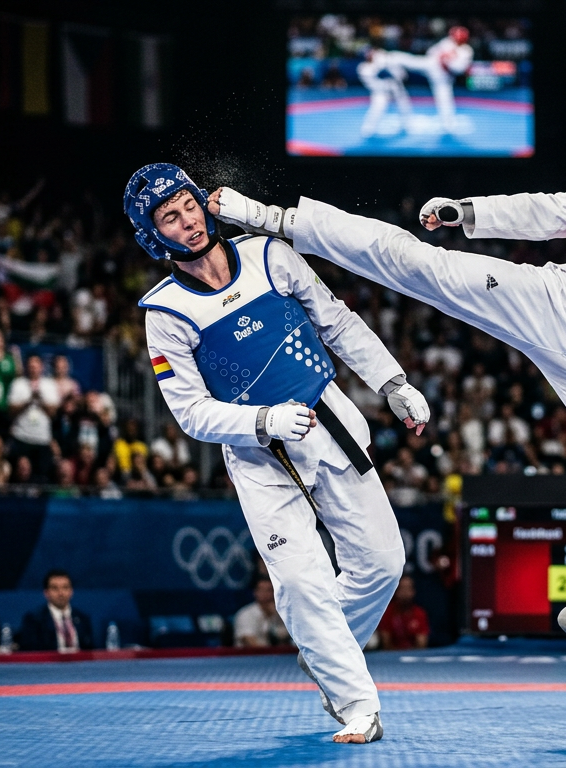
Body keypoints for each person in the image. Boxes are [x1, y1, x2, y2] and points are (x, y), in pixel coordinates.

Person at [215, 76, 566, 682]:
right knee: (419, 263)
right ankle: (273, 217)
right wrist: (470, 213)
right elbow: (555, 211)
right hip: (560, 304)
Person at [125, 164, 428, 744]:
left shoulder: (270, 255)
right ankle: (356, 704)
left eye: (188, 205)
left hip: (327, 420)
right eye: (169, 217)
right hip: (257, 455)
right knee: (301, 582)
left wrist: (393, 383)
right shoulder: (165, 313)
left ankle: (325, 652)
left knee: (384, 563)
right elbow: (191, 413)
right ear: (153, 236)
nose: (187, 220)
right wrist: (263, 421)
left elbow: (336, 322)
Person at [18, 569, 94, 653]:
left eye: (65, 587)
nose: (61, 593)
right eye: (55, 588)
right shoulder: (34, 619)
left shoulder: (82, 618)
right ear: (46, 593)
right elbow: (31, 651)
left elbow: (90, 650)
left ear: (71, 591)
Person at [232, 575, 292, 648]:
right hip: (253, 654)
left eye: (269, 590)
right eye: (262, 590)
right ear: (255, 592)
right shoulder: (246, 614)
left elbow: (288, 639)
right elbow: (249, 642)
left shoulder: (281, 614)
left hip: (277, 654)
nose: (266, 594)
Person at [378, 574, 430, 650]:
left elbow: (421, 645)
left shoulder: (419, 613)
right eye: (402, 589)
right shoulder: (387, 613)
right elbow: (386, 643)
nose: (405, 593)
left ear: (413, 591)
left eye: (408, 589)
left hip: (415, 654)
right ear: (395, 591)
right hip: (392, 655)